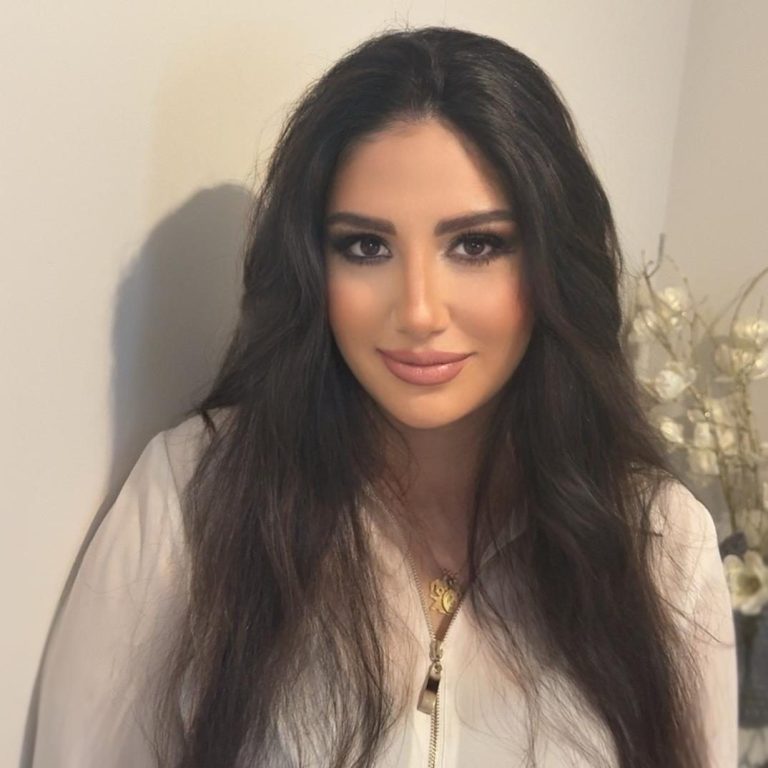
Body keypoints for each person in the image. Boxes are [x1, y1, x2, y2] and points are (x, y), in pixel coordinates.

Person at [30, 25, 737, 768]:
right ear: (312, 267)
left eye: (476, 245)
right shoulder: (195, 498)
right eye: (365, 247)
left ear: (552, 263)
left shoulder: (661, 543)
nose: (420, 311)